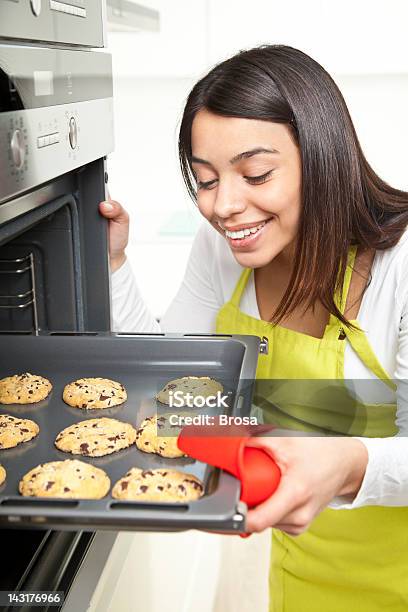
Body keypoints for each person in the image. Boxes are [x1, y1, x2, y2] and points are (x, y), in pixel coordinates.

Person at [100, 45, 408, 612]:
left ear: (321, 156)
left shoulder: (400, 265)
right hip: (303, 572)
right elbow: (170, 382)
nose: (225, 206)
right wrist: (114, 265)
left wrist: (347, 464)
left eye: (256, 174)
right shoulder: (221, 251)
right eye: (206, 180)